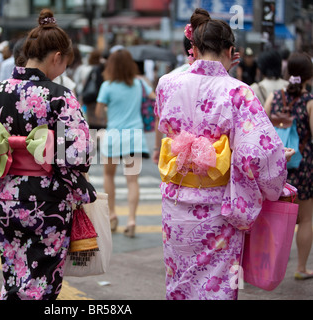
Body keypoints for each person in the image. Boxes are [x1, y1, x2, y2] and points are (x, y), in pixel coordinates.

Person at [0, 9, 96, 300]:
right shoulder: (60, 96)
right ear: (56, 57)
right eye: (64, 63)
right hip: (49, 201)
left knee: (14, 274)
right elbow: (78, 155)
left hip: (7, 197)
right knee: (43, 282)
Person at [154, 8, 287, 300]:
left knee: (179, 278)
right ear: (231, 50)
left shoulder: (167, 83)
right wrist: (277, 173)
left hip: (175, 200)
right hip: (216, 205)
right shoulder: (238, 91)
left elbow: (164, 120)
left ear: (194, 49)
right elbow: (258, 152)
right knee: (216, 283)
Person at [264, 52, 313, 280]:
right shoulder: (310, 103)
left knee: (272, 217)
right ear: (308, 76)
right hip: (303, 168)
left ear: (287, 73)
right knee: (307, 219)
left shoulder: (274, 98)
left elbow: (260, 132)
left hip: (276, 167)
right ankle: (301, 268)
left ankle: (266, 265)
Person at [95, 49, 153, 238]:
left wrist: (108, 113)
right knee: (132, 181)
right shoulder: (139, 84)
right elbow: (155, 98)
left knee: (109, 176)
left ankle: (112, 215)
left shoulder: (107, 86)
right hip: (134, 137)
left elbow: (98, 112)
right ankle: (131, 220)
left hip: (113, 136)